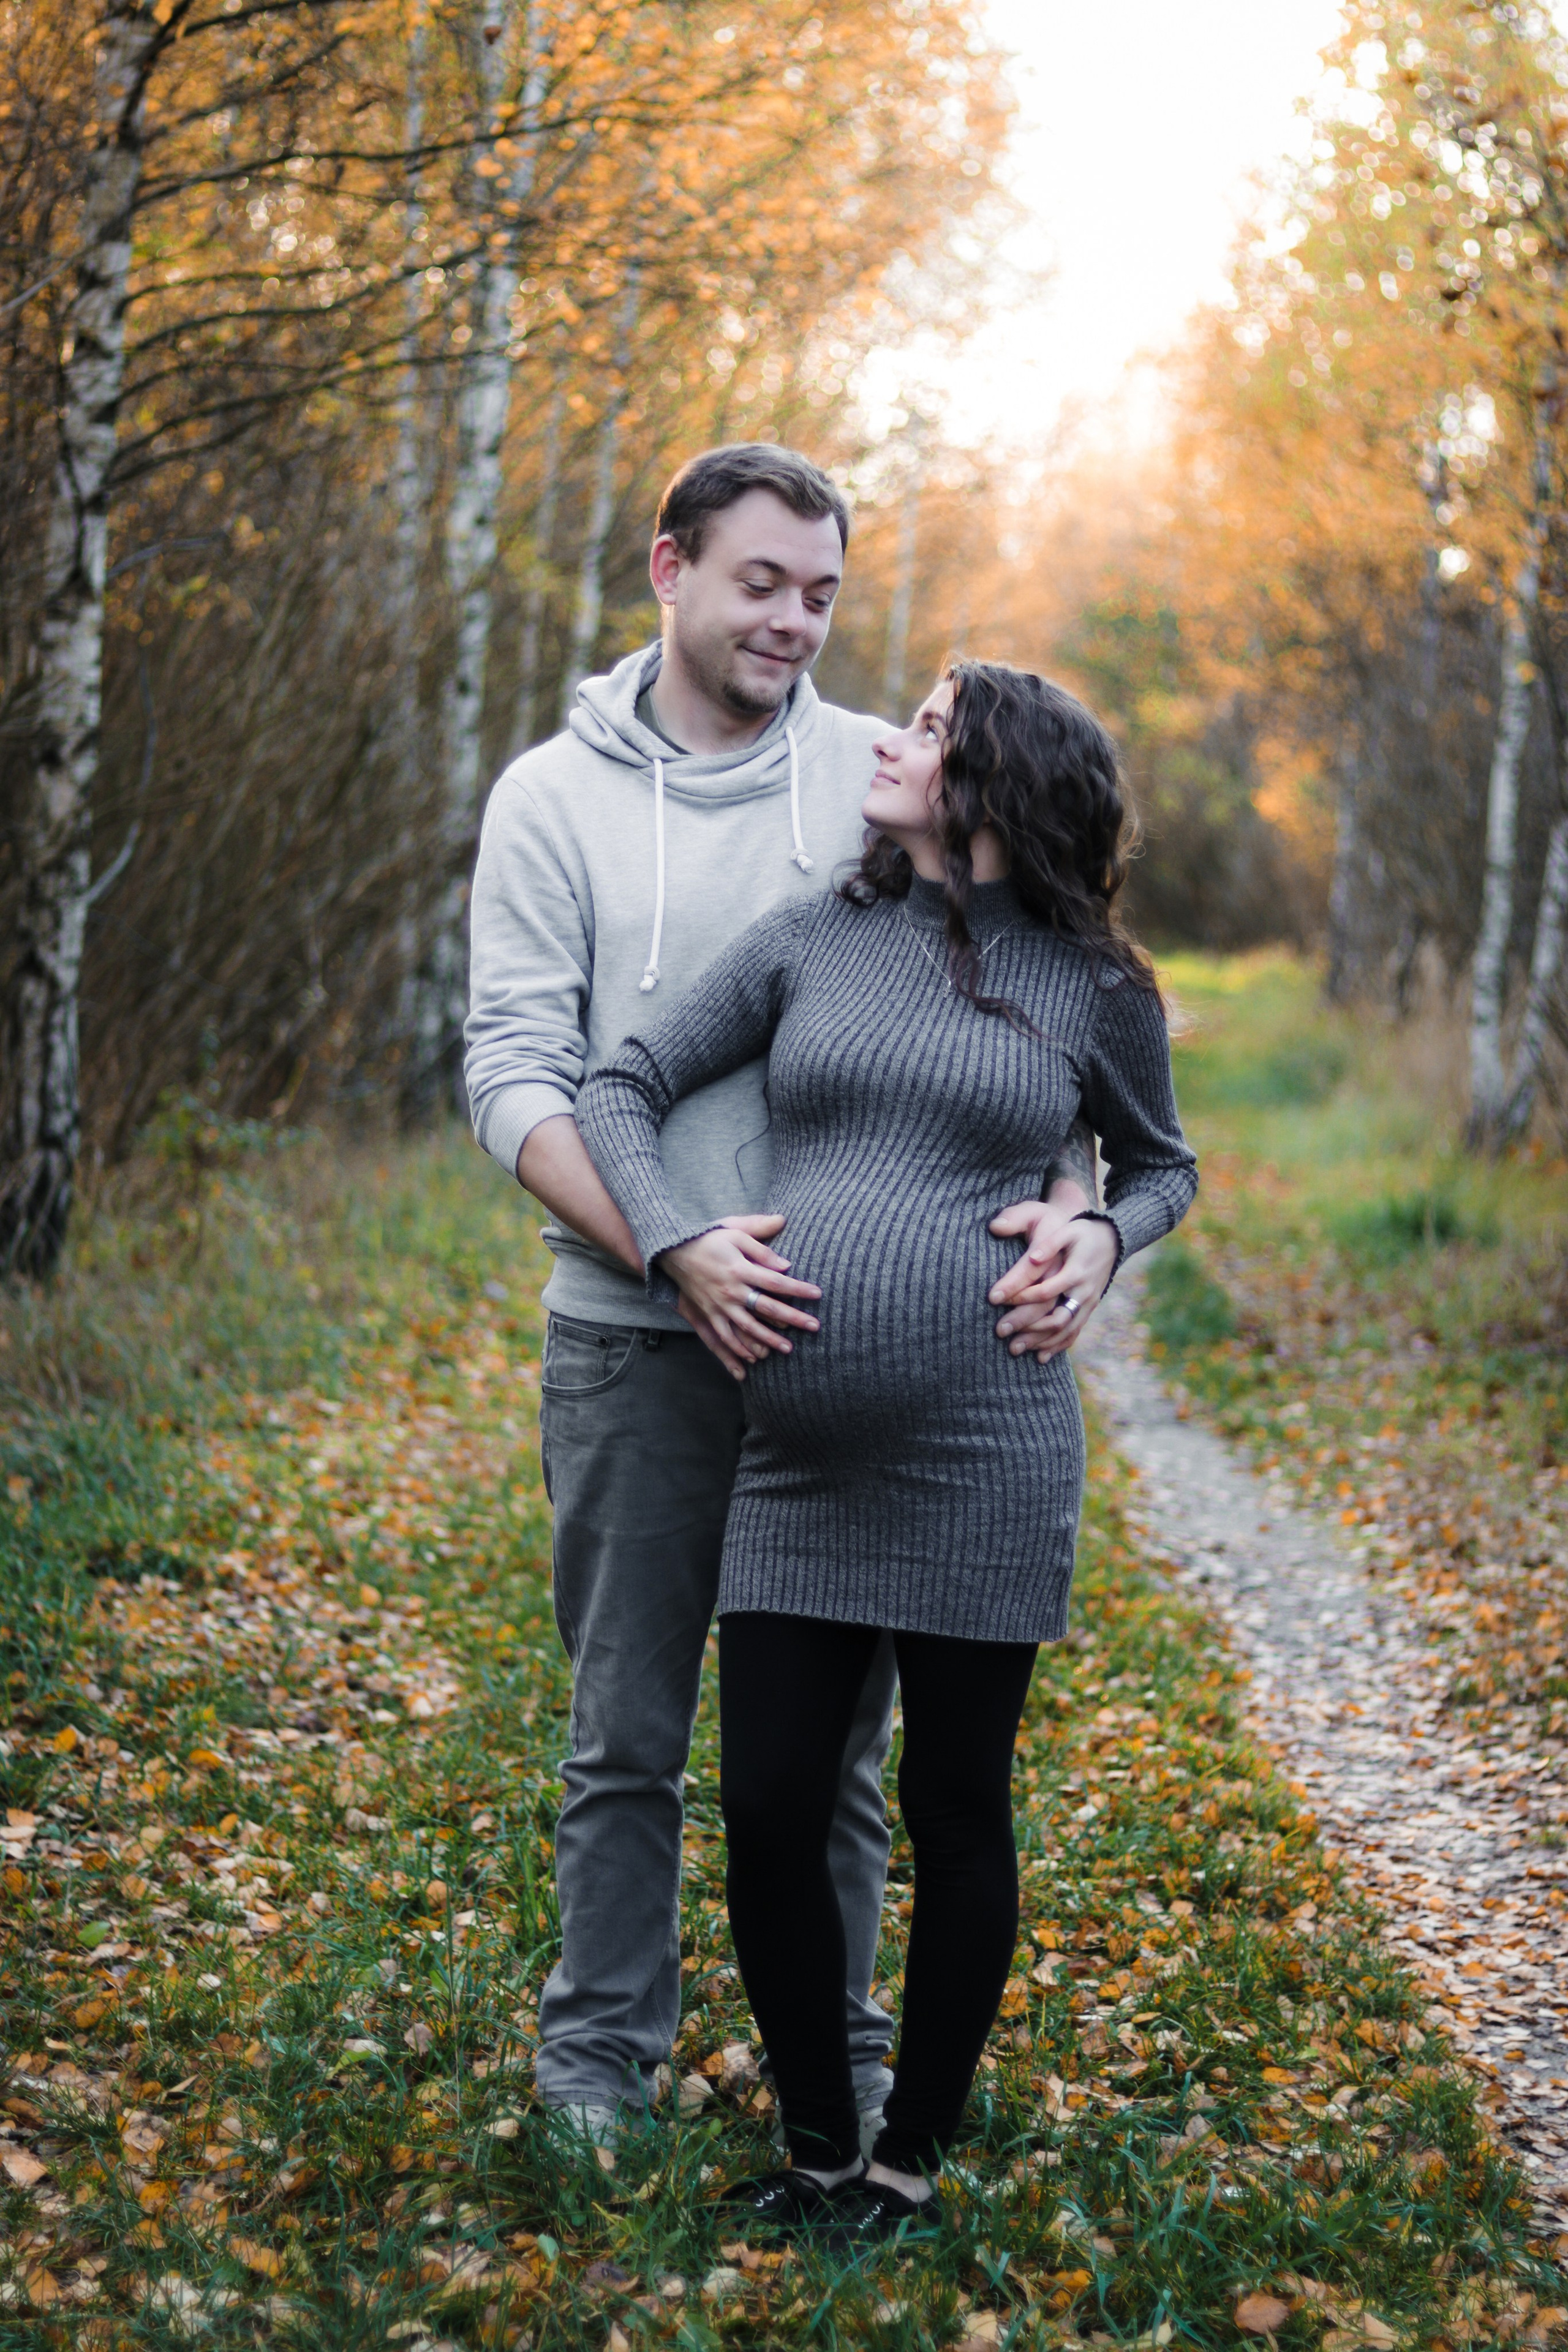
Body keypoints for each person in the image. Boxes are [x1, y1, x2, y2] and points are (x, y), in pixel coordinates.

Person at [464, 445, 1106, 2150]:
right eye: (762, 583)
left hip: (852, 1370)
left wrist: (1078, 1210)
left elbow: (1039, 1013)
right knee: (627, 1733)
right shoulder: (553, 799)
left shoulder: (879, 777)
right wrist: (671, 1247)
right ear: (668, 568)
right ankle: (597, 2065)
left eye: (823, 593)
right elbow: (519, 1071)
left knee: (830, 1772)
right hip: (639, 1337)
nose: (796, 624)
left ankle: (844, 2065)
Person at [575, 657, 1197, 2240]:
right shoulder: (811, 940)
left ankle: (906, 2164)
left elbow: (1163, 1163)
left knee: (952, 1805)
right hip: (793, 1463)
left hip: (987, 1453)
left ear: (1001, 784)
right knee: (773, 1799)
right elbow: (623, 1085)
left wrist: (1104, 1243)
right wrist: (679, 1243)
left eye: (930, 729)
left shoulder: (1095, 984)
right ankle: (815, 2148)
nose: (894, 740)